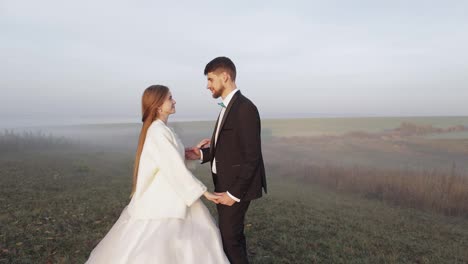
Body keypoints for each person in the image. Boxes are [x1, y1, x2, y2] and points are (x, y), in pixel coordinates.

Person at [86, 85, 229, 264]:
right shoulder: (157, 131)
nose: (174, 101)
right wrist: (204, 192)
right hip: (163, 200)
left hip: (172, 194)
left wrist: (192, 151)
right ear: (158, 106)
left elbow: (171, 160)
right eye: (170, 98)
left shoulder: (162, 129)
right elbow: (173, 168)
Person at [186, 57, 267, 264]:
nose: (208, 85)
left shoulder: (244, 108)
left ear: (225, 76)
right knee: (232, 238)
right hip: (225, 185)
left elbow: (252, 156)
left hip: (236, 187)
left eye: (211, 79)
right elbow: (226, 148)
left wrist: (234, 194)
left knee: (230, 241)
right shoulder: (227, 106)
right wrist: (201, 155)